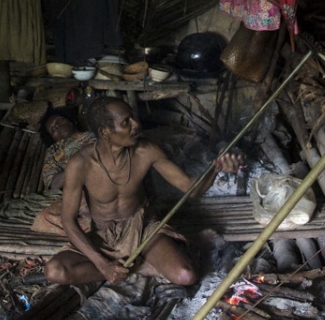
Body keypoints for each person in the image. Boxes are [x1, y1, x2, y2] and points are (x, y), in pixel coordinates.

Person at [45, 96, 240, 286]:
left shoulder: (146, 151)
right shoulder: (80, 163)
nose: (136, 124)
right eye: (125, 122)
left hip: (142, 229)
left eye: (132, 117)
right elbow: (68, 221)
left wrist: (216, 169)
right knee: (55, 271)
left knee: (186, 276)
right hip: (101, 235)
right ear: (105, 132)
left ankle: (130, 266)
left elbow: (191, 189)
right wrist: (103, 265)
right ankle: (128, 268)